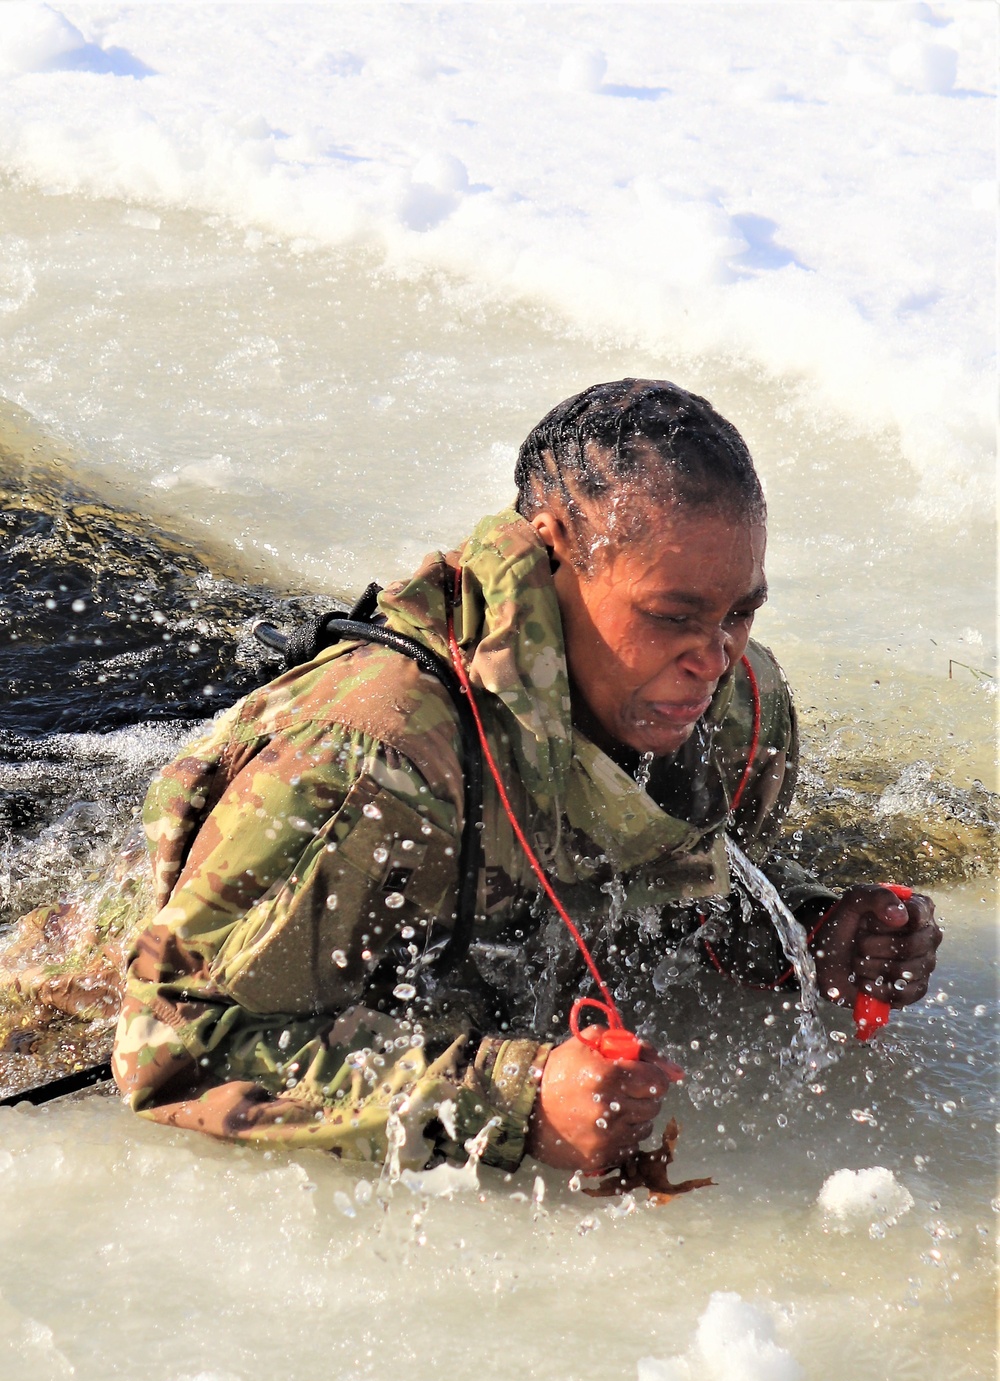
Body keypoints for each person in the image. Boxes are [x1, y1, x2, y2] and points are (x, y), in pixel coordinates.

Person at [111, 380, 941, 1188]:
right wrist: (514, 1101)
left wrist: (807, 930)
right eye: (671, 614)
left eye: (739, 613)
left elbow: (676, 907)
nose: (712, 657)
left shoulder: (734, 711)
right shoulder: (376, 757)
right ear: (551, 552)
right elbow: (174, 1044)